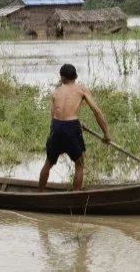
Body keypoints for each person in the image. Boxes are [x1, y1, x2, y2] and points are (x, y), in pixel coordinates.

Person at [38, 64, 111, 192]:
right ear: (76, 77)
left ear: (62, 78)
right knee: (79, 162)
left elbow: (54, 115)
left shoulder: (56, 92)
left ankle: (39, 193)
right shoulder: (81, 89)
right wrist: (106, 133)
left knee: (49, 162)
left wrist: (74, 123)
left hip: (56, 125)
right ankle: (75, 195)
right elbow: (96, 111)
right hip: (71, 126)